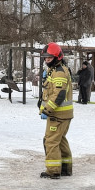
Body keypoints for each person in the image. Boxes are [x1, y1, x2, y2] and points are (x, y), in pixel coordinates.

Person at [38, 42, 73, 179]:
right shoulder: (57, 70)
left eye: (49, 58)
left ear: (57, 57)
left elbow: (58, 95)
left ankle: (53, 170)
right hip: (63, 114)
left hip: (57, 114)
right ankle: (65, 167)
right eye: (45, 58)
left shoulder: (59, 72)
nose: (47, 60)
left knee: (51, 141)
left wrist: (47, 110)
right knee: (60, 140)